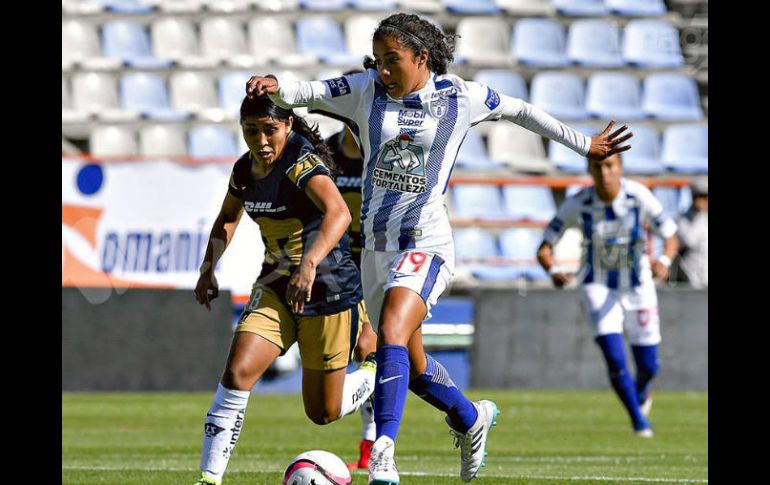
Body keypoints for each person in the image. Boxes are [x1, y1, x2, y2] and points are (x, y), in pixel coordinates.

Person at [246, 13, 631, 484]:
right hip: (376, 250)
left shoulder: (460, 97)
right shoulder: (364, 90)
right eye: (379, 60)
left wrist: (584, 144)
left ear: (422, 57)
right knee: (413, 362)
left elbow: (521, 110)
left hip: (426, 243)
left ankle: (383, 453)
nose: (383, 70)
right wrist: (274, 84)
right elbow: (305, 91)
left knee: (388, 330)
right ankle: (471, 418)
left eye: (393, 61)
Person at [191, 94, 377, 485]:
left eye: (269, 130)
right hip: (276, 285)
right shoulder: (245, 170)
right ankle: (209, 478)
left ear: (288, 127)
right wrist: (208, 269)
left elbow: (339, 213)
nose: (260, 140)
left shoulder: (300, 162)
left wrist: (308, 264)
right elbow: (227, 217)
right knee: (238, 371)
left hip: (327, 287)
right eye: (251, 131)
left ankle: (375, 373)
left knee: (323, 413)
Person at [536, 153, 678, 438]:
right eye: (597, 166)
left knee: (649, 365)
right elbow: (544, 247)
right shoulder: (578, 202)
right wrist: (553, 271)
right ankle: (639, 421)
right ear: (589, 169)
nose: (604, 172)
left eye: (610, 165)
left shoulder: (638, 195)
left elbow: (670, 235)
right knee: (615, 358)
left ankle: (640, 392)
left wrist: (664, 260)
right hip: (596, 285)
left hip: (638, 285)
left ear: (620, 168)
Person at [322, 100, 380, 469]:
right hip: (334, 270)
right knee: (343, 358)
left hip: (373, 266)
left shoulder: (382, 154)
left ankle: (371, 443)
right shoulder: (323, 154)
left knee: (369, 348)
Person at [674, 177, 707, 288]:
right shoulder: (682, 219)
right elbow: (689, 241)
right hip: (691, 279)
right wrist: (701, 214)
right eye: (701, 196)